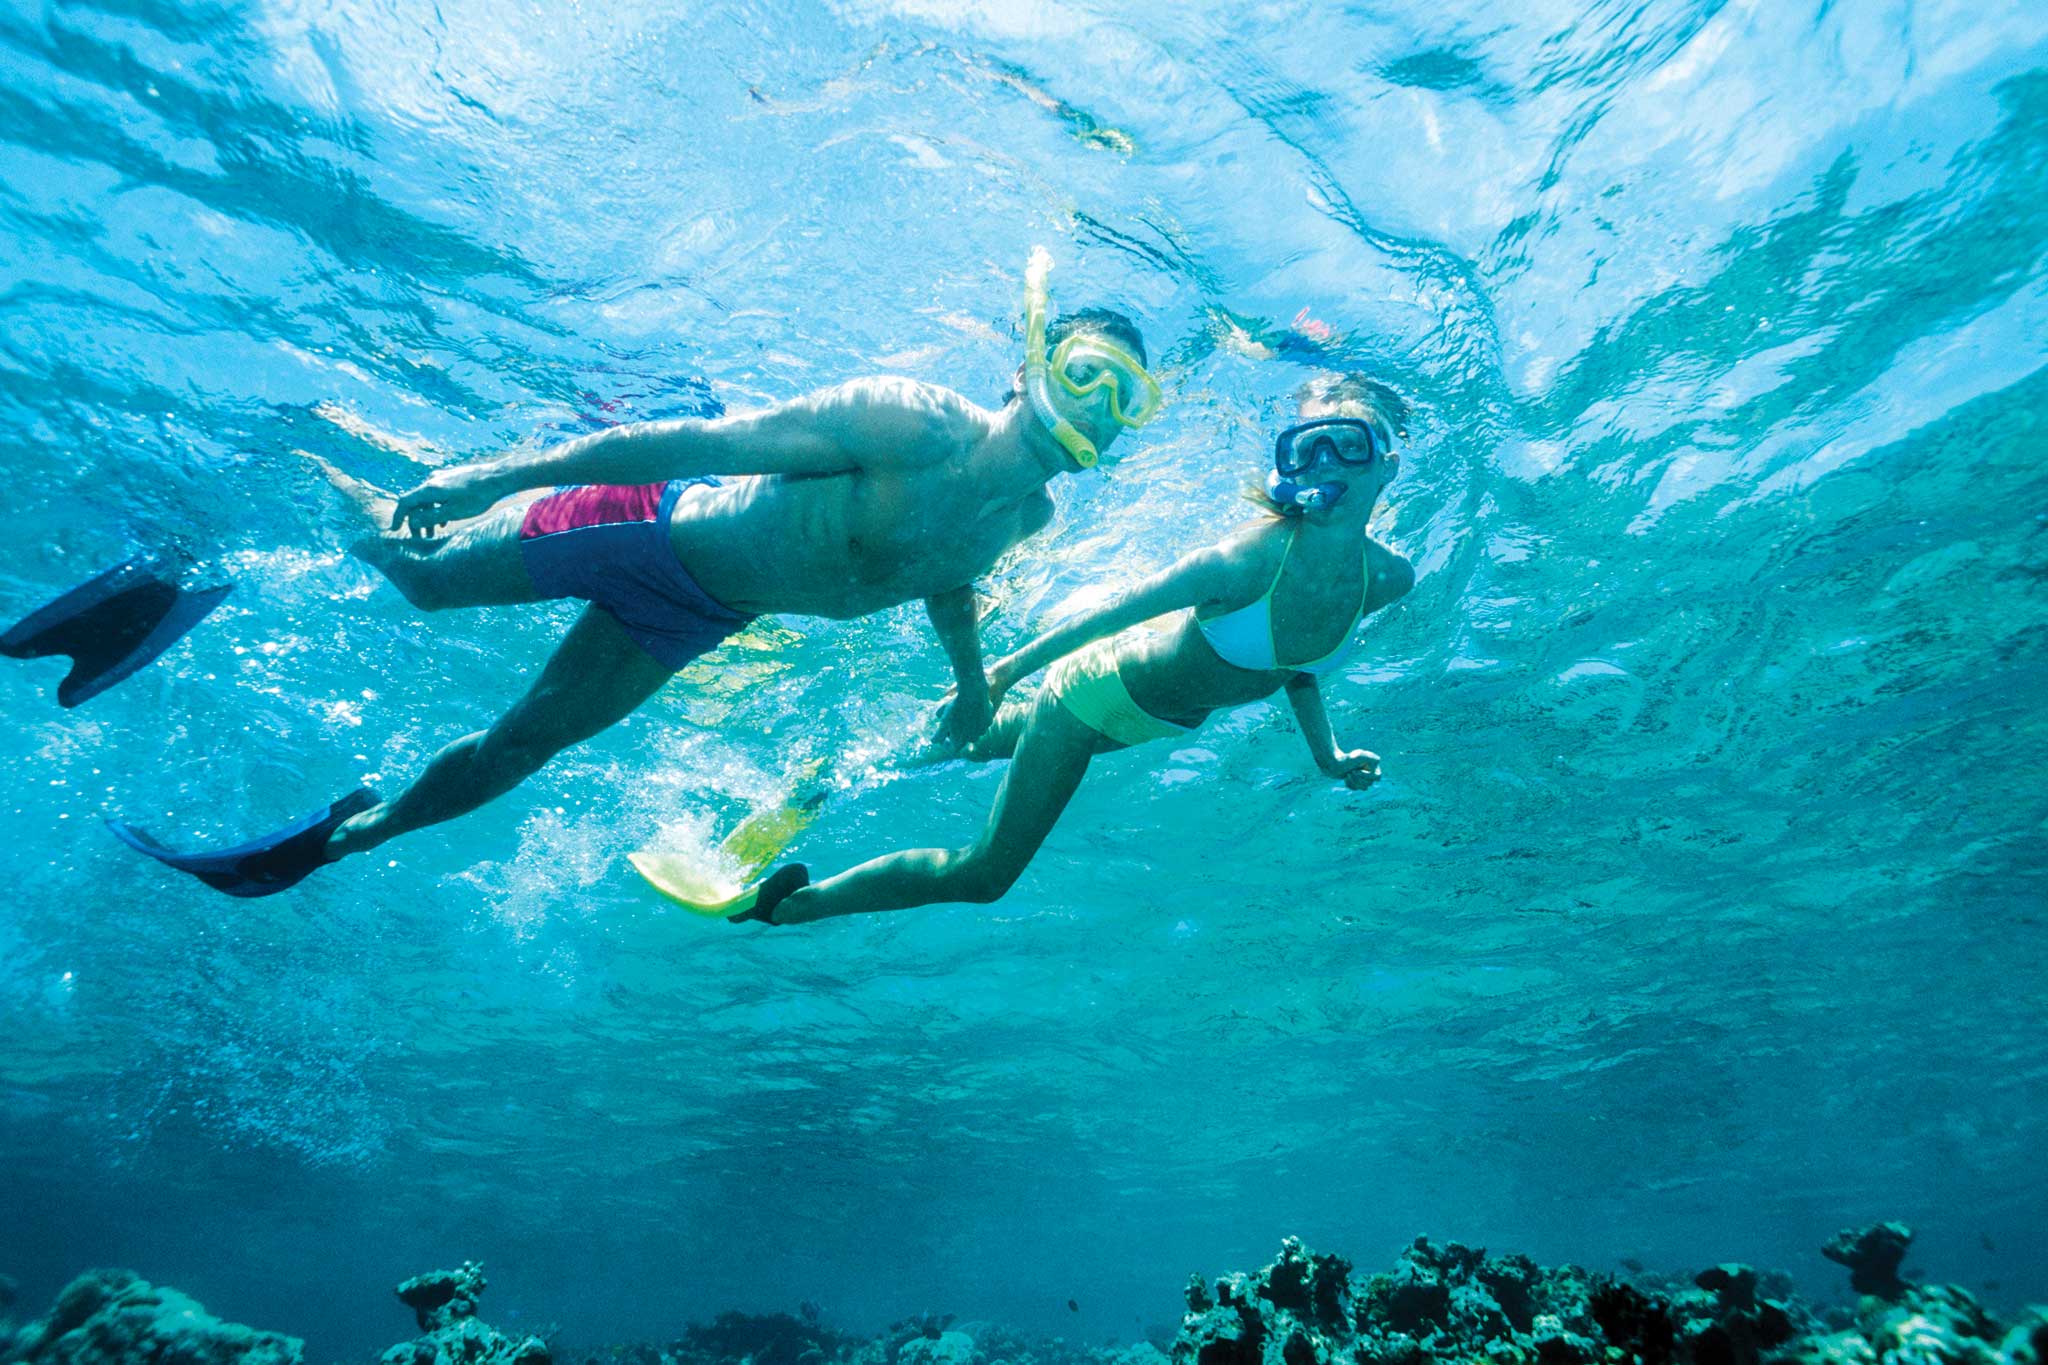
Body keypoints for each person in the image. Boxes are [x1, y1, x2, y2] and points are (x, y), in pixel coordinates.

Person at [108, 251, 1162, 899]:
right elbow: (689, 442)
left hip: (697, 614)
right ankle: (304, 458)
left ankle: (341, 841)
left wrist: (972, 680)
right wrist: (498, 475)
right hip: (644, 528)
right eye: (1083, 375)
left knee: (521, 749)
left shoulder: (1026, 514)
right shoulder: (907, 419)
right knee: (416, 576)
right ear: (1029, 361)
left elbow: (945, 578)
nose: (1095, 408)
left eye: (1124, 400)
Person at [739, 373, 1415, 926]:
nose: (1323, 463)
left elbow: (1295, 663)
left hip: (1145, 722)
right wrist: (999, 674)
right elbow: (1110, 613)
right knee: (985, 875)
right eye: (1306, 448)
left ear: (1386, 465)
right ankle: (794, 906)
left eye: (1346, 445)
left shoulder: (1385, 579)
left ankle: (825, 780)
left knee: (959, 746)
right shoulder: (1245, 560)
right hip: (1088, 699)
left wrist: (1326, 753)